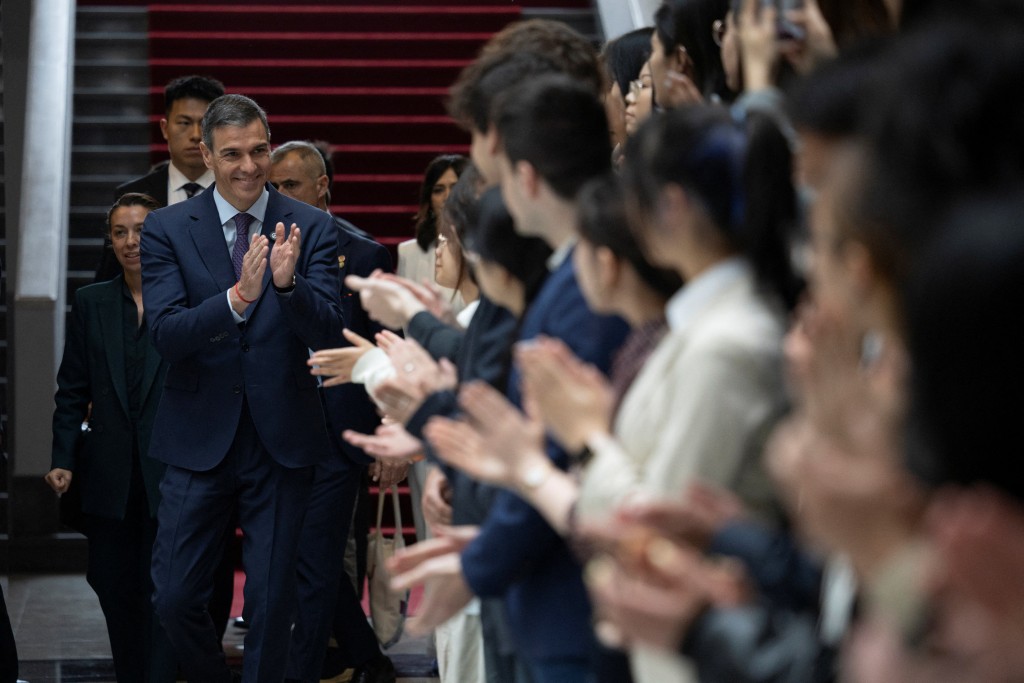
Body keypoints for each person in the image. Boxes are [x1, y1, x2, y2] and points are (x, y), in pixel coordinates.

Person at [388, 74, 631, 683]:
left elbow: (544, 455)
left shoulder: (581, 290)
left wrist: (475, 565)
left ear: (521, 176)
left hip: (567, 596)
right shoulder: (566, 274)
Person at [140, 94, 344, 683]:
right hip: (196, 439)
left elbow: (331, 329)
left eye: (259, 150)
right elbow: (167, 333)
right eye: (231, 154)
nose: (248, 166)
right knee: (174, 598)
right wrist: (235, 301)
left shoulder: (311, 225)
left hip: (282, 440)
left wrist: (287, 288)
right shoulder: (167, 227)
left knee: (272, 606)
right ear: (206, 154)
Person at [268, 140, 397, 683]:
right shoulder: (253, 248)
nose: (279, 196)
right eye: (273, 186)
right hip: (272, 430)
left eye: (291, 185)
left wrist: (392, 426)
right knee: (295, 558)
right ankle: (366, 655)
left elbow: (386, 347)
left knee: (315, 564)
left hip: (335, 433)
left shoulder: (364, 256)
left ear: (323, 186)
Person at [45, 193, 177, 683]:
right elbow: (72, 388)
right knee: (112, 585)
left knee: (168, 590)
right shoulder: (91, 301)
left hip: (171, 472)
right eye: (120, 232)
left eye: (140, 229)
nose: (130, 241)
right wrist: (63, 456)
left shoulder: (186, 297)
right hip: (110, 474)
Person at [97, 76, 227, 284]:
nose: (195, 135)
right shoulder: (131, 196)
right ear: (165, 128)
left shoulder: (238, 192)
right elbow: (109, 280)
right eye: (184, 123)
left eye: (204, 124)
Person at [396, 154, 467, 312]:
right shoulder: (408, 252)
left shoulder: (478, 248)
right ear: (429, 199)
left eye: (455, 188)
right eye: (438, 190)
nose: (447, 196)